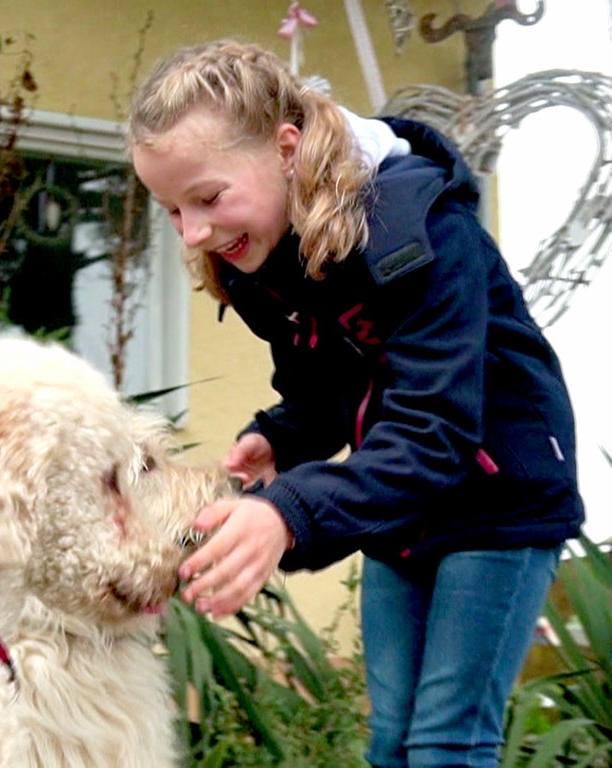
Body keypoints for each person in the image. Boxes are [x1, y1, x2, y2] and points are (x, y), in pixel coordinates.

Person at [128, 39, 585, 768]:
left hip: (499, 496)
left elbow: (434, 425)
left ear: (286, 148)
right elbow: (332, 382)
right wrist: (286, 436)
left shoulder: (420, 231)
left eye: (208, 198)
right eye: (173, 210)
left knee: (444, 740)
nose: (196, 232)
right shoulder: (262, 256)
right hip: (400, 492)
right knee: (390, 737)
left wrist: (289, 512)